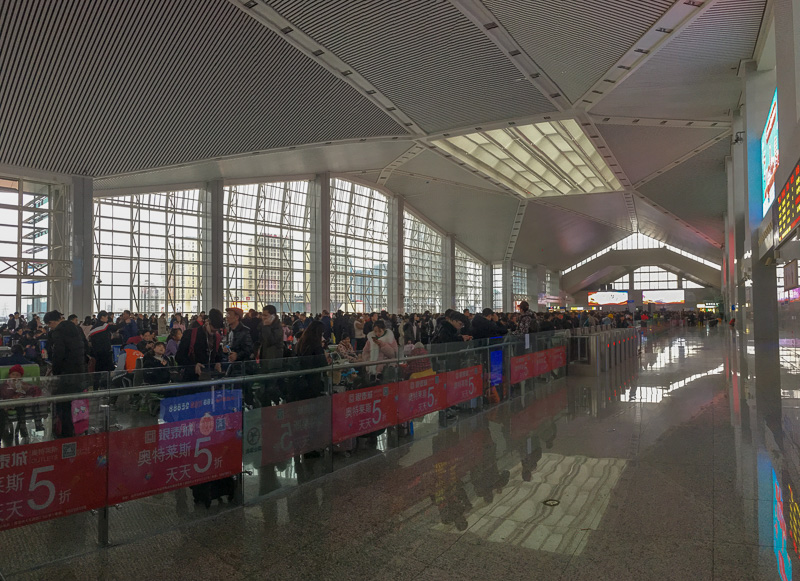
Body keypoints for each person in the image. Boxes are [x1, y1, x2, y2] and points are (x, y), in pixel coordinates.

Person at [44, 310, 87, 438]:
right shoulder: (76, 328)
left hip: (65, 374)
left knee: (63, 405)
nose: (50, 328)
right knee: (75, 404)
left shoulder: (58, 332)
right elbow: (85, 347)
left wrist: (56, 371)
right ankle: (77, 430)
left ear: (52, 322)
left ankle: (65, 434)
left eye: (49, 325)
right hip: (79, 372)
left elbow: (58, 354)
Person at [175, 308, 224, 382]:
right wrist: (194, 366)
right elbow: (179, 357)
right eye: (213, 329)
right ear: (207, 322)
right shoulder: (190, 334)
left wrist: (218, 363)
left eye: (217, 330)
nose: (214, 332)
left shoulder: (217, 338)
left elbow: (218, 355)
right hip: (191, 381)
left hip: (210, 380)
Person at [0, 364, 42, 443]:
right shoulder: (5, 385)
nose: (15, 377)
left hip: (18, 404)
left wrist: (25, 389)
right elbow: (4, 393)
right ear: (9, 375)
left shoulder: (23, 384)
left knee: (21, 408)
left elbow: (34, 390)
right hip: (6, 404)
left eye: (17, 375)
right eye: (13, 374)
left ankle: (23, 429)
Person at [292, 320, 329, 402]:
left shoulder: (302, 341)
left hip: (301, 377)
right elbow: (323, 363)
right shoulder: (316, 345)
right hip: (313, 379)